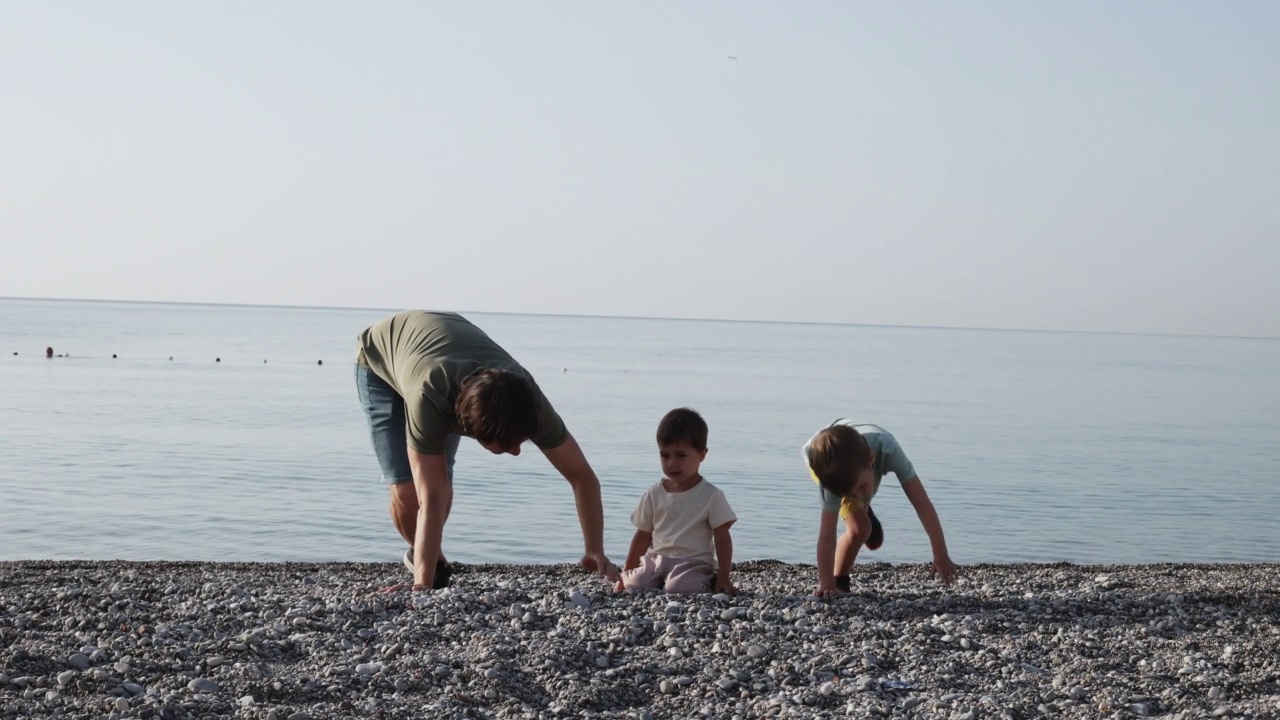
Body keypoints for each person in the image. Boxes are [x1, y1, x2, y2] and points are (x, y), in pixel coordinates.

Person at [354, 310, 616, 591]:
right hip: (379, 358)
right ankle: (427, 566)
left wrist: (595, 550)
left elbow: (582, 477)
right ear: (473, 430)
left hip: (444, 347)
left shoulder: (529, 402)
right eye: (508, 444)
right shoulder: (429, 399)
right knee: (410, 492)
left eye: (521, 441)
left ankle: (426, 560)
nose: (516, 452)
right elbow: (431, 497)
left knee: (441, 489)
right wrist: (422, 584)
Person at [803, 419, 956, 597]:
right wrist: (826, 583)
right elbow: (827, 535)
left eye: (861, 488)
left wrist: (940, 552)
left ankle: (863, 512)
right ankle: (839, 581)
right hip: (820, 460)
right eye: (851, 495)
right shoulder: (831, 482)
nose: (859, 496)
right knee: (861, 529)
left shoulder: (889, 449)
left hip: (851, 448)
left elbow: (921, 503)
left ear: (871, 459)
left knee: (864, 524)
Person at [618, 408, 738, 594]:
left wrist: (724, 575)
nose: (672, 463)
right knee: (635, 583)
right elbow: (642, 535)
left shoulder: (711, 496)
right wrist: (626, 570)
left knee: (679, 588)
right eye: (665, 455)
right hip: (656, 560)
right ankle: (655, 580)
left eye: (681, 455)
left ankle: (710, 580)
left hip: (692, 562)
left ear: (702, 454)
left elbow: (722, 537)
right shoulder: (654, 494)